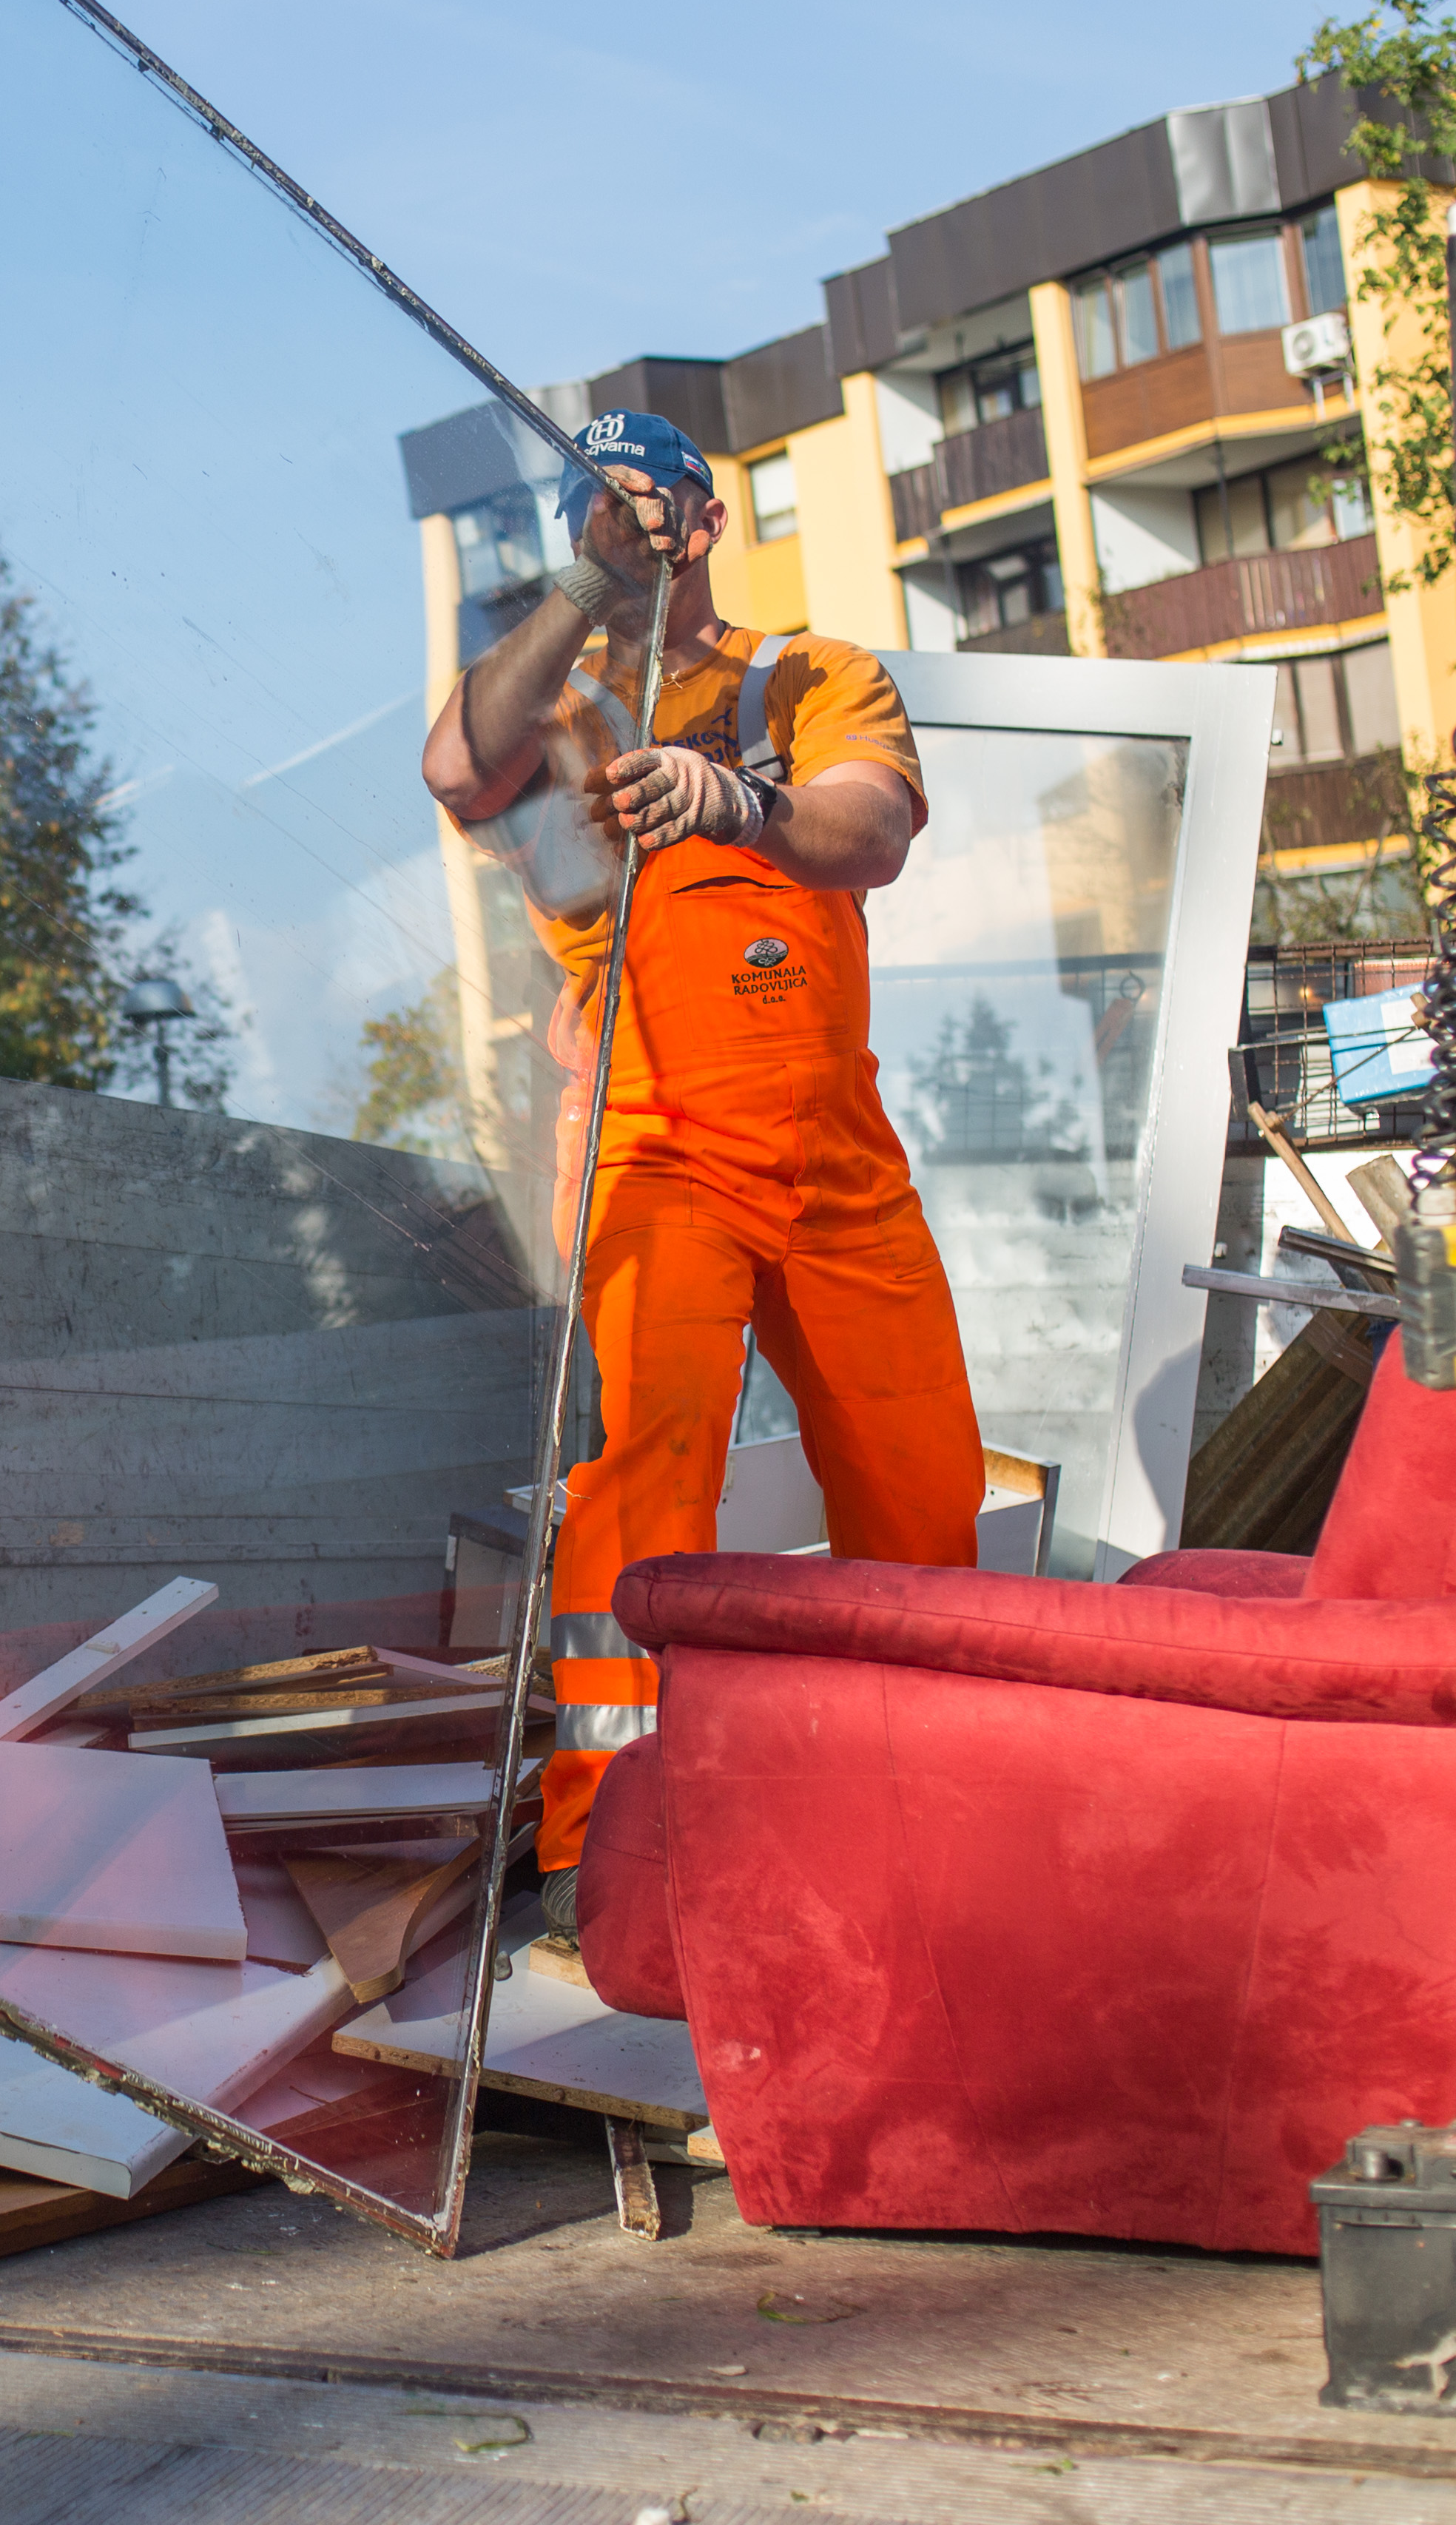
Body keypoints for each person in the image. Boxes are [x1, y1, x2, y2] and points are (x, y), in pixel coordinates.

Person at [420, 411, 983, 1922]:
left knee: (924, 1500)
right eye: (597, 508)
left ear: (707, 514)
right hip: (654, 1156)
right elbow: (458, 761)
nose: (629, 523)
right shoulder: (568, 704)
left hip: (837, 1159)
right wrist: (591, 594)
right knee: (640, 1502)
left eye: (648, 503)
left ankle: (924, 1822)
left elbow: (869, 832)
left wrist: (739, 798)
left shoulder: (810, 676)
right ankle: (610, 1850)